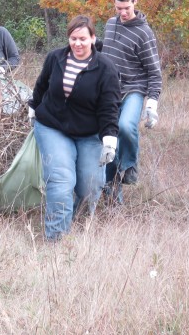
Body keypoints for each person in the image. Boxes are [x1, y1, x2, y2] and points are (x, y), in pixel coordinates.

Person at [29, 15, 120, 241]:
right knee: (61, 180)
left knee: (90, 186)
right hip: (53, 127)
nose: (77, 44)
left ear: (93, 38)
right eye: (73, 39)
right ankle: (57, 240)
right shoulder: (55, 58)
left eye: (82, 39)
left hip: (90, 133)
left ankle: (78, 232)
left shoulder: (106, 68)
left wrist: (110, 139)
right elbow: (41, 85)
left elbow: (110, 107)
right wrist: (33, 107)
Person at [101, 0, 162, 189]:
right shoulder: (110, 24)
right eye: (119, 8)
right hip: (109, 90)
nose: (123, 13)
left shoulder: (144, 33)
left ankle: (130, 165)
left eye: (126, 8)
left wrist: (152, 102)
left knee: (126, 127)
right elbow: (107, 52)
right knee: (108, 138)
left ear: (135, 1)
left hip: (133, 89)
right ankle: (110, 187)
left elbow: (154, 71)